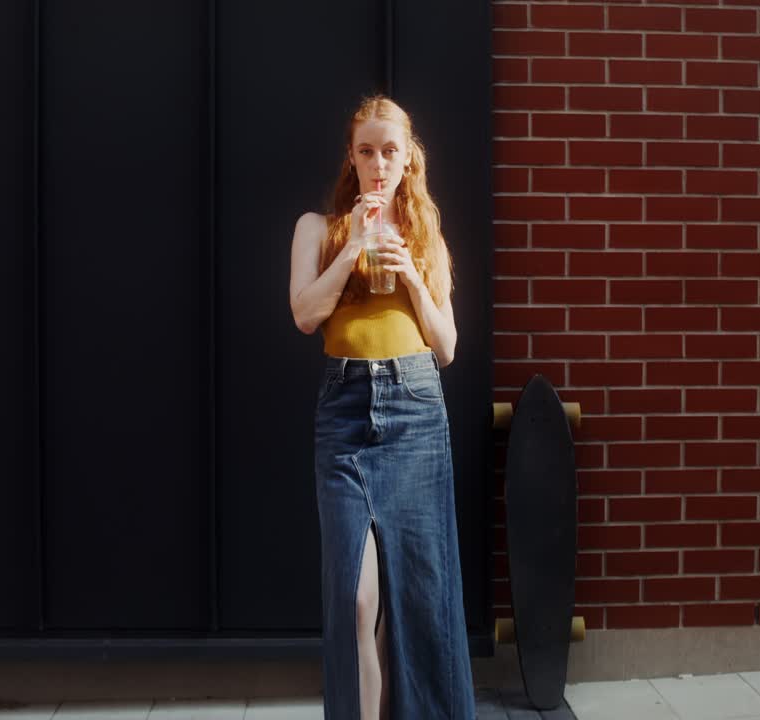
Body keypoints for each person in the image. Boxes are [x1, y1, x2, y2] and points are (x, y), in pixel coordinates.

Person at [288, 95, 476, 719]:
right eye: (366, 151)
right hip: (345, 412)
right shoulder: (317, 228)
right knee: (357, 599)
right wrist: (353, 247)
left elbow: (447, 347)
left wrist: (412, 274)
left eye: (389, 151)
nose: (377, 164)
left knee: (415, 602)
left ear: (407, 159)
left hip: (414, 410)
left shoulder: (425, 235)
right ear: (351, 157)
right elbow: (305, 314)